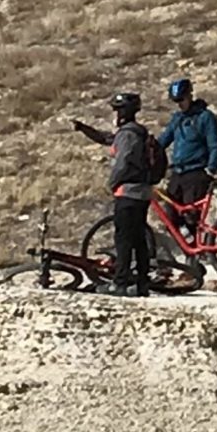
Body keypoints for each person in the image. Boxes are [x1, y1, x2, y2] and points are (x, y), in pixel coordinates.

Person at [71, 92, 161, 295]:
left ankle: (119, 284)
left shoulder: (127, 135)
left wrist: (112, 183)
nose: (115, 114)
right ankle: (141, 284)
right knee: (139, 240)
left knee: (123, 240)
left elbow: (123, 162)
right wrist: (84, 129)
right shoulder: (138, 132)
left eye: (117, 110)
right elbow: (105, 138)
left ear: (124, 113)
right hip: (142, 193)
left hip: (127, 193)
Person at [156, 76, 217, 289]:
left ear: (189, 96)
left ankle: (192, 266)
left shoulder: (205, 117)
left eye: (182, 99)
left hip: (196, 172)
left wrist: (211, 168)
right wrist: (149, 149)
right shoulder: (177, 119)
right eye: (177, 101)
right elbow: (164, 141)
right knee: (169, 214)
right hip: (178, 172)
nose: (180, 104)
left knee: (191, 217)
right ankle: (190, 249)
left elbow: (214, 144)